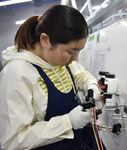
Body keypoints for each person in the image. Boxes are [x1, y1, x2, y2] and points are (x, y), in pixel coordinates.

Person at [0, 5, 105, 150]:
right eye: (71, 51)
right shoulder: (17, 74)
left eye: (79, 51)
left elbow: (81, 75)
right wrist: (68, 122)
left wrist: (91, 86)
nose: (74, 58)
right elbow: (13, 141)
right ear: (45, 40)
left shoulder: (60, 60)